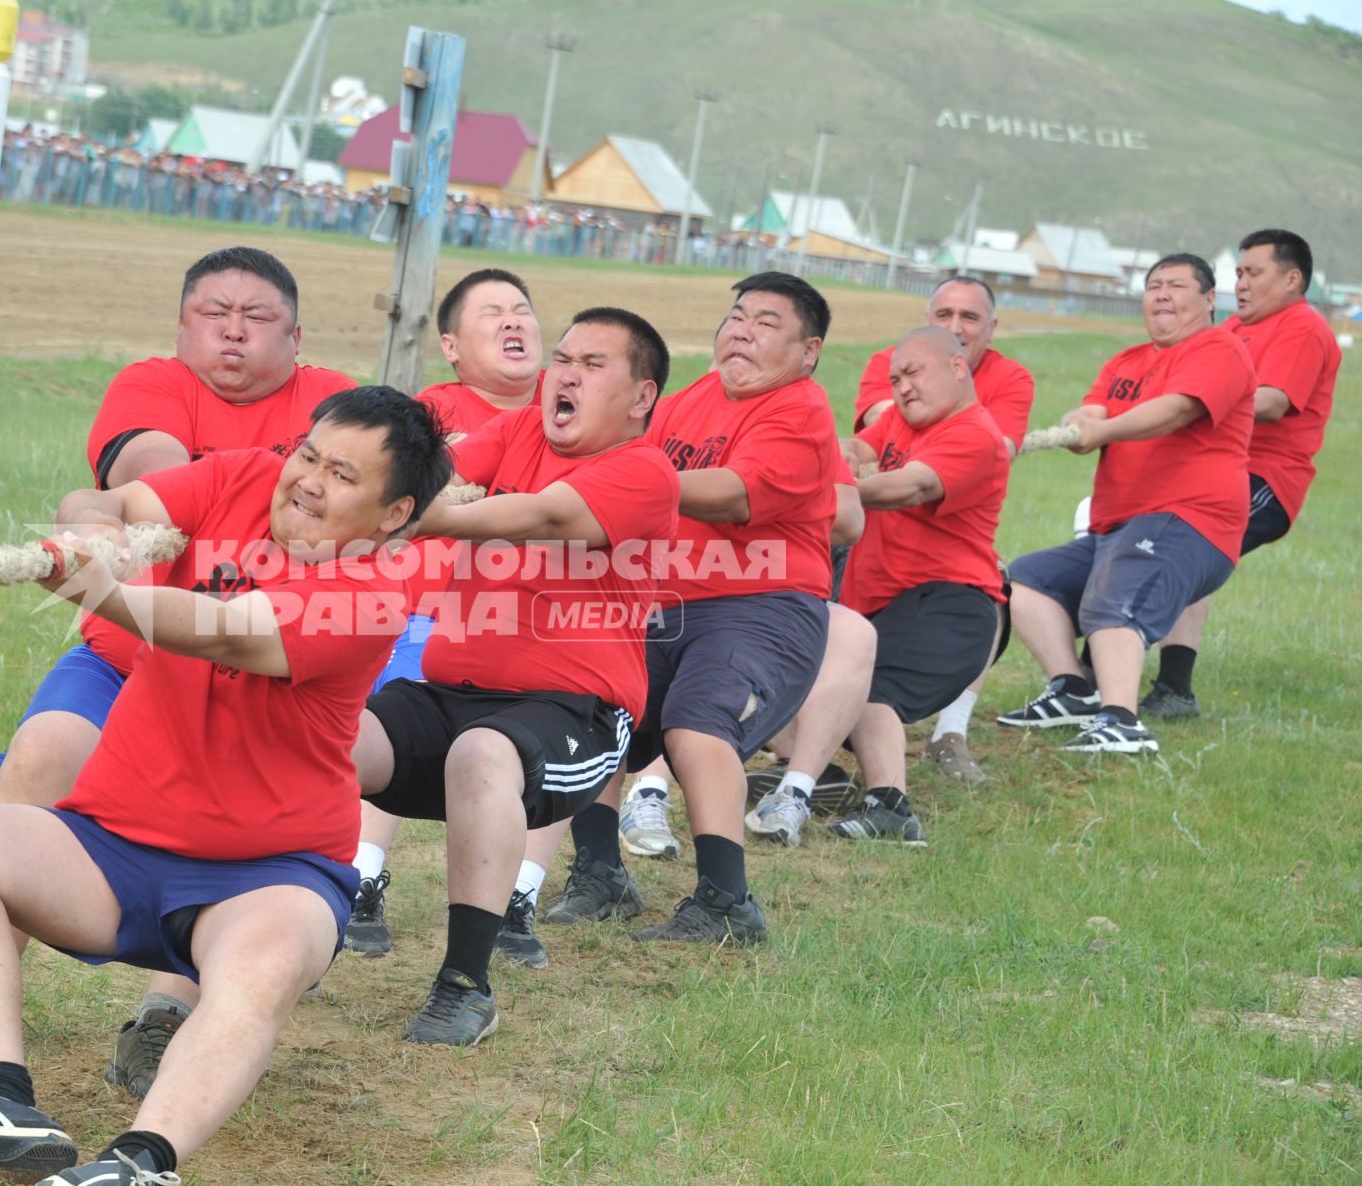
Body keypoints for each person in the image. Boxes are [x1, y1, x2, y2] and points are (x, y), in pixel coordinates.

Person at [0, 387, 446, 1186]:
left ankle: (134, 1167)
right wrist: (92, 525)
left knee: (264, 965)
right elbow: (111, 499)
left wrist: (104, 591)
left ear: (395, 511)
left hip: (270, 873)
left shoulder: (376, 590)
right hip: (113, 844)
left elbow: (225, 629)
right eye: (307, 454)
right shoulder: (246, 479)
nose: (307, 481)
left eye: (342, 474)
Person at [0, 246, 354, 1093]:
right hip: (126, 655)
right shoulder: (152, 384)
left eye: (256, 316)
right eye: (211, 313)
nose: (232, 330)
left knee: (224, 829)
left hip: (256, 681)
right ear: (180, 327)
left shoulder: (332, 412)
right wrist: (94, 520)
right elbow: (139, 470)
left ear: (296, 337)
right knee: (40, 755)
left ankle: (167, 1013)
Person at [355, 308, 679, 1043]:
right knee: (327, 738)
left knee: (482, 754)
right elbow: (447, 471)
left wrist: (400, 519)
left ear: (641, 396)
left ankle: (465, 985)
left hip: (577, 713)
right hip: (449, 694)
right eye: (562, 356)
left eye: (593, 364)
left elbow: (541, 514)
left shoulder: (646, 469)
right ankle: (298, 925)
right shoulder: (522, 430)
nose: (564, 372)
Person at [546, 272, 837, 942]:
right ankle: (600, 874)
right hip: (664, 601)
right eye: (737, 315)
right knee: (596, 703)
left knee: (695, 720)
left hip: (762, 603)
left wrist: (630, 483)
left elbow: (735, 493)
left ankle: (726, 902)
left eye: (767, 322)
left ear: (808, 349)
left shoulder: (800, 409)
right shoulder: (689, 401)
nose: (742, 328)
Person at [345, 268, 562, 967]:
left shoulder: (574, 422)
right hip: (427, 613)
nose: (513, 322)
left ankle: (518, 895)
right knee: (388, 704)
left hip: (538, 624)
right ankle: (361, 873)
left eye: (523, 310)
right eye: (492, 312)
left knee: (564, 719)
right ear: (450, 345)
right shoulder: (431, 414)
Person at [748, 328, 1009, 846]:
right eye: (894, 378)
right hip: (881, 606)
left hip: (947, 602)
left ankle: (891, 809)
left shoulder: (973, 431)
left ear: (958, 368)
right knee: (792, 682)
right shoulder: (899, 420)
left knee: (872, 693)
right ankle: (818, 776)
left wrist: (816, 492)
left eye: (913, 372)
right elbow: (852, 446)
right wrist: (811, 449)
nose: (902, 387)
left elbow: (907, 486)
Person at [1000, 254, 1255, 754]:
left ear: (1208, 300)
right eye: (1153, 285)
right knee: (1026, 581)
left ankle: (1122, 721)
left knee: (1115, 595)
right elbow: (1094, 407)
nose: (1161, 293)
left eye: (1176, 285)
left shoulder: (1219, 350)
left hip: (1188, 519)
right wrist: (1079, 423)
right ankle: (1074, 690)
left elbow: (1177, 409)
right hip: (1114, 527)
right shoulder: (1126, 362)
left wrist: (1105, 429)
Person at [1142, 230, 1341, 717]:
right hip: (1213, 471)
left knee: (1173, 555)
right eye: (1238, 274)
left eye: (1254, 273)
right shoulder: (1230, 332)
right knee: (1172, 555)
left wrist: (1194, 406)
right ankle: (1168, 689)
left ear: (1293, 279)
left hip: (1263, 480)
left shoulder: (1302, 326)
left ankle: (1102, 672)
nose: (1242, 284)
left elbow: (1272, 401)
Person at [853, 276, 1033, 782]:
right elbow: (868, 435)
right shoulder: (899, 387)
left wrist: (817, 486)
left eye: (970, 318)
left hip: (941, 582)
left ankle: (938, 745)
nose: (956, 327)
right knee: (821, 681)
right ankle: (808, 770)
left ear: (990, 329)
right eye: (944, 316)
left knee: (868, 693)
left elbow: (925, 476)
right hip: (877, 574)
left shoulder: (995, 399)